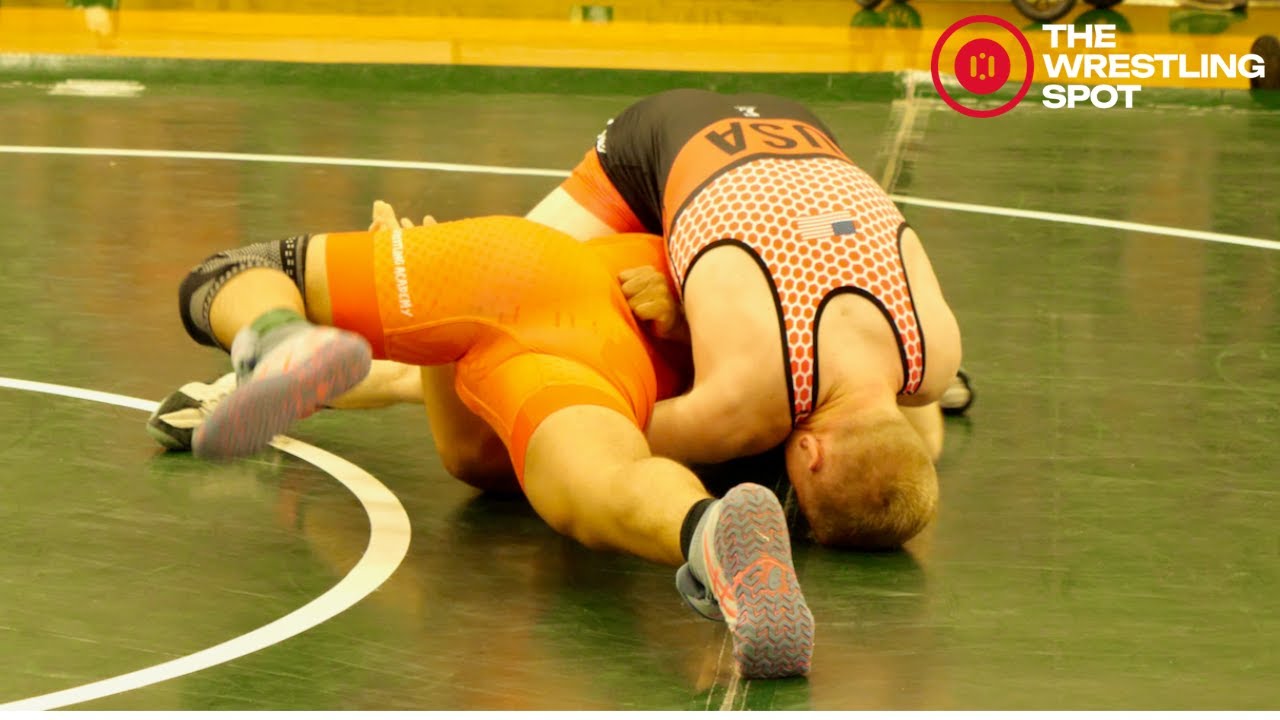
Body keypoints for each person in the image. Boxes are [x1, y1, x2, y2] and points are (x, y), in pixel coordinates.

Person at [155, 89, 965, 550]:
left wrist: (694, 314)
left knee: (505, 301)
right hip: (649, 161)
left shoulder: (932, 355)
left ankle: (277, 356)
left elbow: (918, 425)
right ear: (811, 451)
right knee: (517, 343)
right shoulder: (751, 398)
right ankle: (274, 366)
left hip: (791, 136)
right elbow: (598, 424)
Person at [165, 204, 814, 679]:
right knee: (601, 484)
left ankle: (278, 337)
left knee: (224, 274)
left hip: (516, 272)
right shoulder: (763, 375)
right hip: (602, 354)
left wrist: (416, 271)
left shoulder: (725, 269)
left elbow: (376, 377)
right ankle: (707, 527)